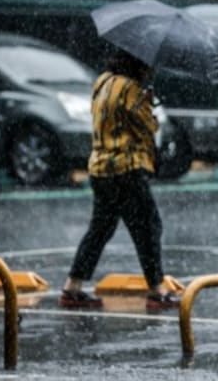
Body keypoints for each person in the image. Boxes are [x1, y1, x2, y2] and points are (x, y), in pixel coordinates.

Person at [60, 48, 179, 310]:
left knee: (100, 228)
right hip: (126, 167)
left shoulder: (103, 81)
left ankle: (73, 286)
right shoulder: (132, 90)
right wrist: (150, 104)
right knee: (148, 227)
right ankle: (157, 289)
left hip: (100, 167)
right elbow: (147, 127)